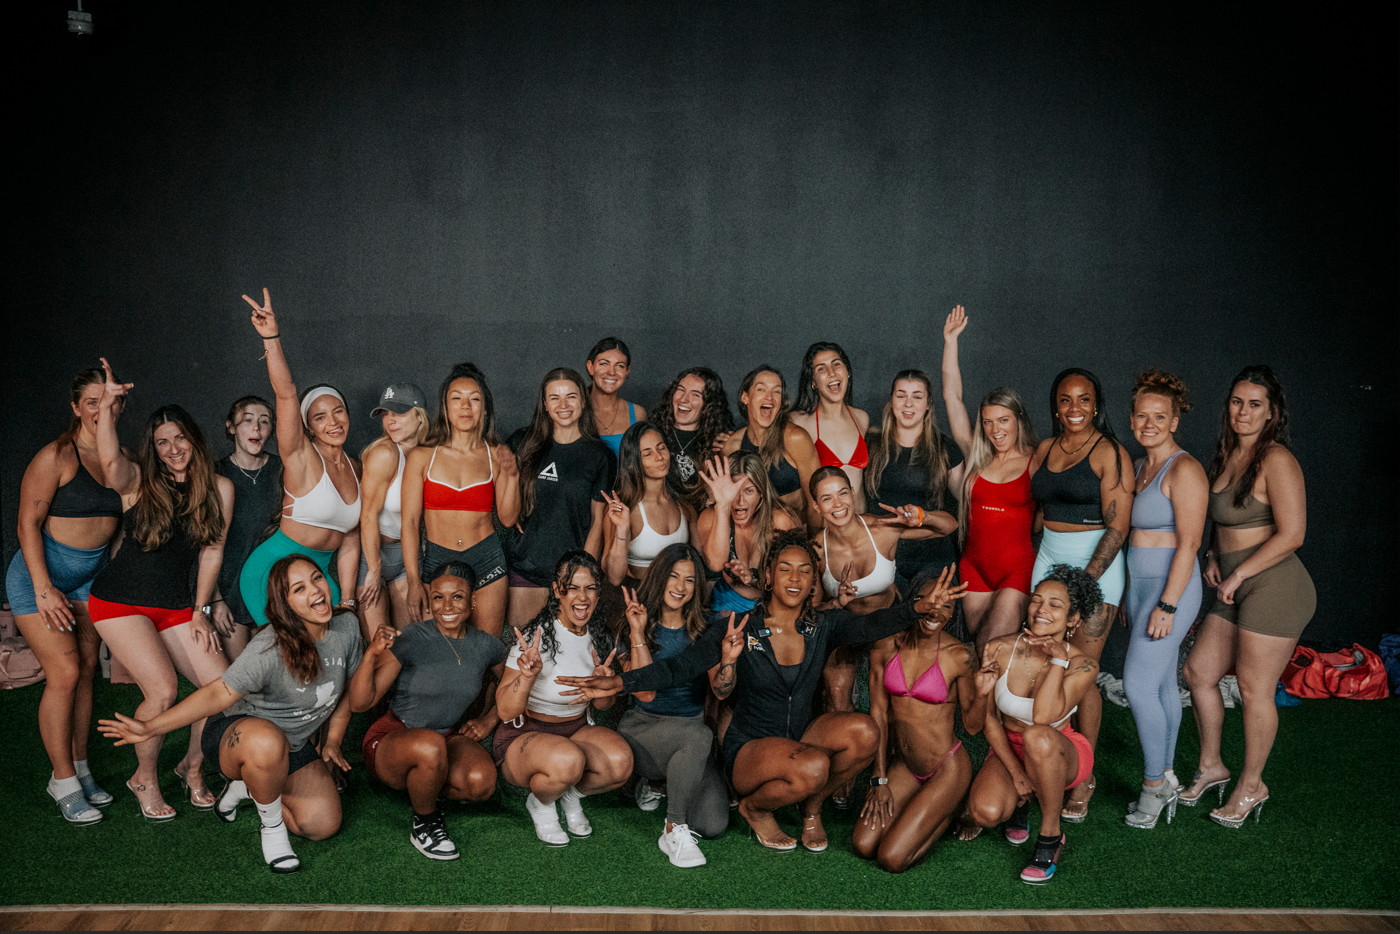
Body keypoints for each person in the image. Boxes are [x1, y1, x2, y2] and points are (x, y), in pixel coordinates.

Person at [558, 531, 953, 854]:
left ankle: (811, 808)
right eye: (785, 569)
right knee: (814, 766)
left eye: (803, 572)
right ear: (768, 576)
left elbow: (876, 624)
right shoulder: (736, 626)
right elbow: (680, 667)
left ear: (814, 581)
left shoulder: (825, 626)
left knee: (865, 731)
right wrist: (622, 681)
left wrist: (919, 607)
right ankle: (755, 809)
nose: (795, 579)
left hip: (800, 740)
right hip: (750, 749)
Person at [99, 555, 360, 873]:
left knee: (321, 825)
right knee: (267, 742)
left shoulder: (347, 625)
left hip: (291, 744)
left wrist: (333, 738)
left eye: (317, 578)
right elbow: (217, 693)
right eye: (299, 588)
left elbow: (351, 686)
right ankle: (272, 828)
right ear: (286, 604)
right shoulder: (269, 648)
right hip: (235, 735)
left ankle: (250, 787)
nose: (315, 590)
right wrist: (150, 727)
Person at [87, 365, 235, 819]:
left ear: (194, 438)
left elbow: (212, 553)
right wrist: (109, 407)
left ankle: (190, 767)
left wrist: (199, 610)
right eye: (162, 442)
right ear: (154, 448)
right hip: (118, 603)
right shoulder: (137, 481)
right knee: (164, 691)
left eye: (180, 438)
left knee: (222, 688)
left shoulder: (219, 487)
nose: (173, 450)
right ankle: (142, 778)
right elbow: (109, 459)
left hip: (175, 606)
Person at [1181, 366, 1313, 829]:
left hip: (1275, 583)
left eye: (1255, 404)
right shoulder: (1225, 454)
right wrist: (1214, 554)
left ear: (1272, 413)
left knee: (1256, 689)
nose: (1244, 411)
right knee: (1199, 672)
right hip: (1232, 580)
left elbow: (1293, 533)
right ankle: (1213, 765)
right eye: (1237, 402)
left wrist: (1240, 576)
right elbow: (1222, 518)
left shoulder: (1276, 459)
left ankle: (1252, 784)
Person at [7, 367, 125, 823]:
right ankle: (60, 779)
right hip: (40, 578)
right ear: (76, 408)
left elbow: (117, 529)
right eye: (91, 402)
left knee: (89, 669)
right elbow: (26, 525)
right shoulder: (56, 456)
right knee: (66, 671)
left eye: (109, 401)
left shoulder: (120, 460)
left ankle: (79, 767)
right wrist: (43, 589)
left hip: (89, 580)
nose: (101, 410)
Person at [1028, 366, 1134, 821]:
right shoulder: (1046, 448)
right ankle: (1049, 759)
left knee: (1081, 669)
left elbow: (1119, 524)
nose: (1075, 408)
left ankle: (1083, 774)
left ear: (1097, 405)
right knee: (1047, 662)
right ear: (1056, 405)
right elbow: (1036, 505)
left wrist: (1086, 582)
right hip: (1049, 560)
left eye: (1084, 399)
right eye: (1066, 399)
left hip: (1095, 567)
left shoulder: (1110, 451)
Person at [347, 562, 504, 861]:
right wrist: (371, 655)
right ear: (430, 601)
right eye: (438, 597)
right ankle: (425, 821)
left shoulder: (485, 645)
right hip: (393, 738)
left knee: (482, 782)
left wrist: (489, 718)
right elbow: (360, 703)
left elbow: (512, 681)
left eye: (457, 596)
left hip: (446, 738)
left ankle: (425, 787)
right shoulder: (412, 637)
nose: (447, 605)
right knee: (429, 746)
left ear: (472, 601)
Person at [965, 565, 1103, 885]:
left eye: (1056, 605)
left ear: (1073, 620)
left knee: (1038, 735)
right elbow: (981, 721)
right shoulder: (999, 648)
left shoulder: (1083, 663)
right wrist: (1015, 771)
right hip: (1010, 748)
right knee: (984, 812)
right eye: (1037, 600)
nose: (1042, 610)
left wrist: (1058, 660)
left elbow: (1043, 717)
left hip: (1060, 751)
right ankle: (1021, 803)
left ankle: (1050, 836)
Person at [237, 289, 362, 628]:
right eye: (320, 417)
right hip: (275, 571)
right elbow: (286, 393)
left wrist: (348, 599)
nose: (333, 421)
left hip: (318, 577)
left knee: (336, 655)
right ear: (307, 428)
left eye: (338, 411)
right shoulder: (301, 457)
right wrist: (271, 338)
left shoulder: (356, 466)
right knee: (291, 665)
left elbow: (350, 538)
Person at [494, 551, 632, 846]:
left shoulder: (598, 637)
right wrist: (528, 676)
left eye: (590, 588)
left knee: (621, 763)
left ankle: (569, 796)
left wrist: (603, 686)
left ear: (597, 593)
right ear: (558, 591)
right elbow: (505, 710)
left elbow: (602, 706)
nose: (582, 597)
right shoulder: (535, 637)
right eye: (572, 587)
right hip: (525, 737)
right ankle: (541, 804)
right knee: (569, 760)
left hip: (575, 729)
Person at [853, 566, 985, 873]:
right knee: (863, 845)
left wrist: (984, 692)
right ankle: (931, 809)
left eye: (947, 605)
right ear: (914, 601)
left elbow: (974, 726)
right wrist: (879, 778)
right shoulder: (886, 645)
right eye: (929, 599)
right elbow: (879, 715)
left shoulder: (959, 656)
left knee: (891, 858)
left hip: (947, 768)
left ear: (954, 613)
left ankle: (948, 808)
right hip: (908, 767)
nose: (935, 610)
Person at [1122, 370, 1207, 829]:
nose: (1149, 423)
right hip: (1139, 586)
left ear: (1175, 420)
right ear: (1132, 420)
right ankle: (1170, 774)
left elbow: (1190, 543)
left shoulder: (1185, 468)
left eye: (1160, 416)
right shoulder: (1138, 467)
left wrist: (1168, 605)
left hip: (1171, 589)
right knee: (1157, 686)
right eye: (1142, 416)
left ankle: (1153, 787)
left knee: (1136, 686)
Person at [614, 544, 729, 867]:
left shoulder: (707, 627)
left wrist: (728, 661)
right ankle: (673, 826)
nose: (680, 587)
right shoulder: (634, 622)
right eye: (674, 576)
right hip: (643, 728)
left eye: (690, 580)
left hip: (690, 735)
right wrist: (637, 633)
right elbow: (645, 693)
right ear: (660, 578)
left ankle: (665, 784)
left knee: (713, 825)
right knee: (699, 736)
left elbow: (720, 692)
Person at [941, 306, 1038, 655]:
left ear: (1018, 420)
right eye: (988, 422)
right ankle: (990, 713)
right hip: (974, 568)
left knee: (989, 650)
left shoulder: (1035, 460)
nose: (995, 430)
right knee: (979, 653)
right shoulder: (976, 458)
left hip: (1016, 571)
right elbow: (953, 398)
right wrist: (950, 341)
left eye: (1003, 420)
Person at [401, 364, 519, 637]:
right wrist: (413, 580)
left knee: (488, 650)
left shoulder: (496, 454)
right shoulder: (422, 456)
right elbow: (408, 523)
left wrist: (512, 475)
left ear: (485, 408)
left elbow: (508, 518)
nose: (465, 406)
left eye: (474, 399)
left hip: (486, 560)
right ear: (445, 406)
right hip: (438, 560)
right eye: (457, 398)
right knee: (439, 653)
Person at [505, 368, 613, 633]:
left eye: (571, 397)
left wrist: (581, 579)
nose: (563, 405)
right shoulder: (522, 442)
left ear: (583, 400)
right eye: (554, 397)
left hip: (569, 575)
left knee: (564, 656)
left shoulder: (600, 455)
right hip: (525, 568)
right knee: (522, 652)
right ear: (544, 404)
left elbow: (597, 522)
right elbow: (504, 508)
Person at [864, 368, 966, 592]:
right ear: (891, 401)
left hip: (933, 556)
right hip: (882, 554)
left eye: (917, 397)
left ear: (928, 404)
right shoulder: (871, 444)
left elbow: (964, 506)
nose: (908, 404)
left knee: (928, 618)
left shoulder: (945, 448)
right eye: (901, 395)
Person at [356, 381, 429, 640]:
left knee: (414, 641)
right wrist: (374, 570)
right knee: (381, 645)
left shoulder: (429, 454)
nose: (390, 421)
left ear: (420, 417)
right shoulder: (385, 454)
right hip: (374, 554)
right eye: (385, 414)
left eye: (398, 413)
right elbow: (367, 515)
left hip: (409, 556)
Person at [215, 395, 283, 659]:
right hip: (229, 591)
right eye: (248, 420)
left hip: (271, 589)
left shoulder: (282, 469)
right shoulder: (216, 473)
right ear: (231, 427)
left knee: (272, 671)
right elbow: (204, 545)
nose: (256, 428)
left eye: (264, 422)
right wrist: (216, 600)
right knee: (241, 673)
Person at [695, 453, 800, 615]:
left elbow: (796, 577)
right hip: (726, 603)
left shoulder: (781, 521)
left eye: (749, 490)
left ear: (761, 492)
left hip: (771, 604)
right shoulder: (710, 517)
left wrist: (752, 577)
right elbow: (715, 564)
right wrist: (722, 504)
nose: (740, 500)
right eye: (733, 491)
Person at [723, 366, 821, 529]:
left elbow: (815, 502)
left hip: (793, 535)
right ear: (745, 397)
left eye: (777, 391)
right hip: (752, 535)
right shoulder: (732, 445)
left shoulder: (795, 438)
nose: (770, 397)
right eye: (761, 389)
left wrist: (813, 546)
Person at [601, 423, 694, 587]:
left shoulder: (683, 505)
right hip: (638, 598)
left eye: (661, 447)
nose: (659, 457)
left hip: (677, 597)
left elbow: (704, 562)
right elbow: (614, 577)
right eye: (648, 454)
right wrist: (622, 529)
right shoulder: (622, 509)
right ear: (634, 461)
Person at [790, 342, 871, 513]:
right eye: (821, 368)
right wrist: (730, 440)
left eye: (836, 364)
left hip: (862, 526)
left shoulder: (861, 418)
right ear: (813, 381)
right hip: (825, 529)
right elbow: (761, 439)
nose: (831, 373)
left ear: (847, 371)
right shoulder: (798, 422)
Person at [648, 367, 735, 487]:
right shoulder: (651, 434)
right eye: (680, 390)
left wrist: (729, 447)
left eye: (695, 395)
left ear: (709, 405)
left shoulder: (716, 444)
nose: (683, 399)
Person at [586, 337, 647, 455]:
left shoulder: (638, 413)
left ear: (627, 371)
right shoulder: (574, 410)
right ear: (591, 367)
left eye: (620, 366)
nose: (612, 372)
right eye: (604, 364)